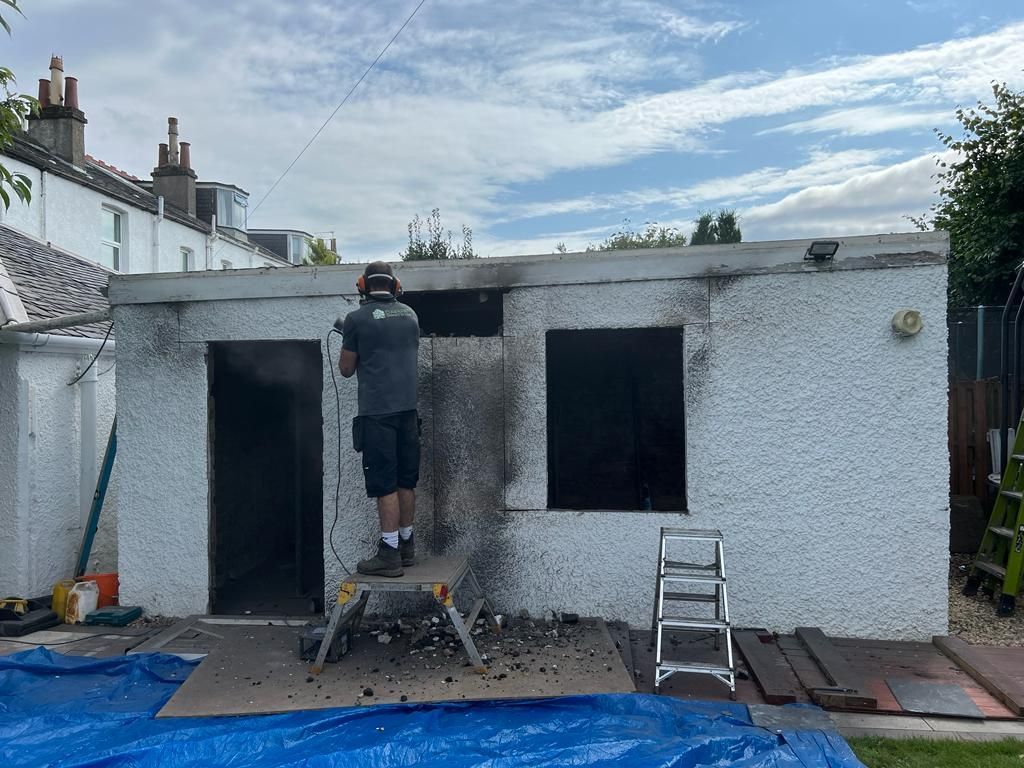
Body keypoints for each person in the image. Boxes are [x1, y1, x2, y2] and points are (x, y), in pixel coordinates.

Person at [338, 261, 420, 577]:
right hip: (408, 412)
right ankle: (407, 544)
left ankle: (389, 554)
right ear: (396, 285)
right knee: (405, 480)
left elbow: (346, 369)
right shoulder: (411, 315)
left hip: (378, 414)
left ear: (362, 285)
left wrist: (350, 337)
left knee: (384, 482)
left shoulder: (355, 319)